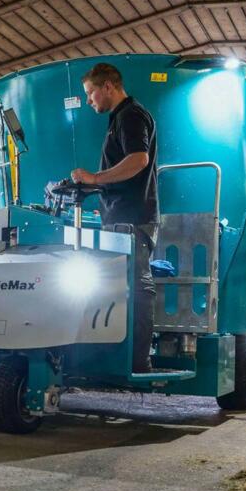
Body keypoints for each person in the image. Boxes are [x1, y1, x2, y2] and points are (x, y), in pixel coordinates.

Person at [70, 62, 157, 373]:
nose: (88, 100)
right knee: (117, 288)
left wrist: (96, 179)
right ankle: (116, 355)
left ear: (108, 86)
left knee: (136, 285)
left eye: (90, 93)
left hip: (132, 219)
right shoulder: (118, 118)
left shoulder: (131, 115)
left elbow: (139, 159)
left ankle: (137, 361)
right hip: (120, 217)